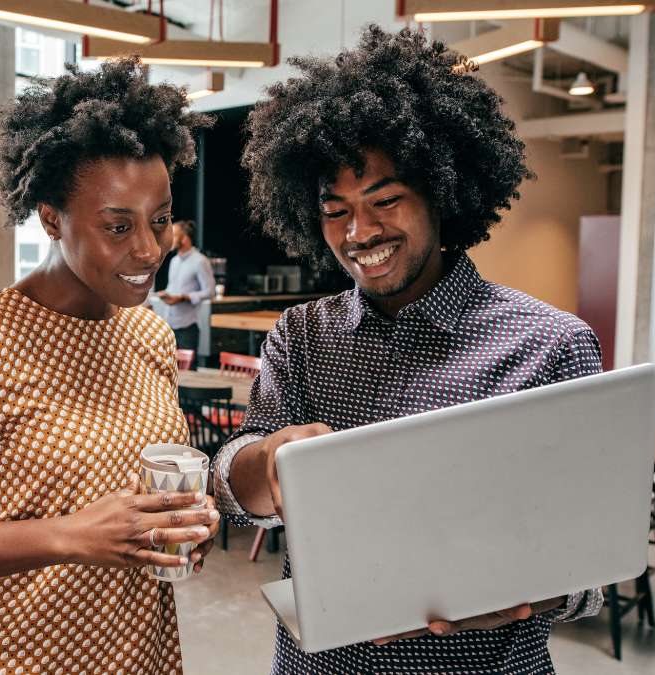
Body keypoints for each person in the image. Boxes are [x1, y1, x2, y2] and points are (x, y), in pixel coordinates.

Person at [214, 26, 604, 675]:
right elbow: (232, 485)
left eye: (385, 200)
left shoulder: (550, 344)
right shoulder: (303, 336)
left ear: (442, 194)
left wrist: (518, 595)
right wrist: (263, 463)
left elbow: (590, 568)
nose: (359, 232)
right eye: (334, 210)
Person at [0, 60, 219, 675]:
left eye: (159, 220)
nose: (147, 250)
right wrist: (71, 534)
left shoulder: (148, 334)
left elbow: (141, 499)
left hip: (143, 656)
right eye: (117, 226)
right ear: (51, 218)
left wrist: (187, 522)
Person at [156, 219, 215, 367]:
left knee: (188, 372)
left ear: (184, 238)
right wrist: (167, 294)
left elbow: (210, 292)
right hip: (169, 323)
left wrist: (183, 298)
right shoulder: (174, 261)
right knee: (169, 369)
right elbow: (173, 288)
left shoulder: (200, 261)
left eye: (173, 236)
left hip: (188, 325)